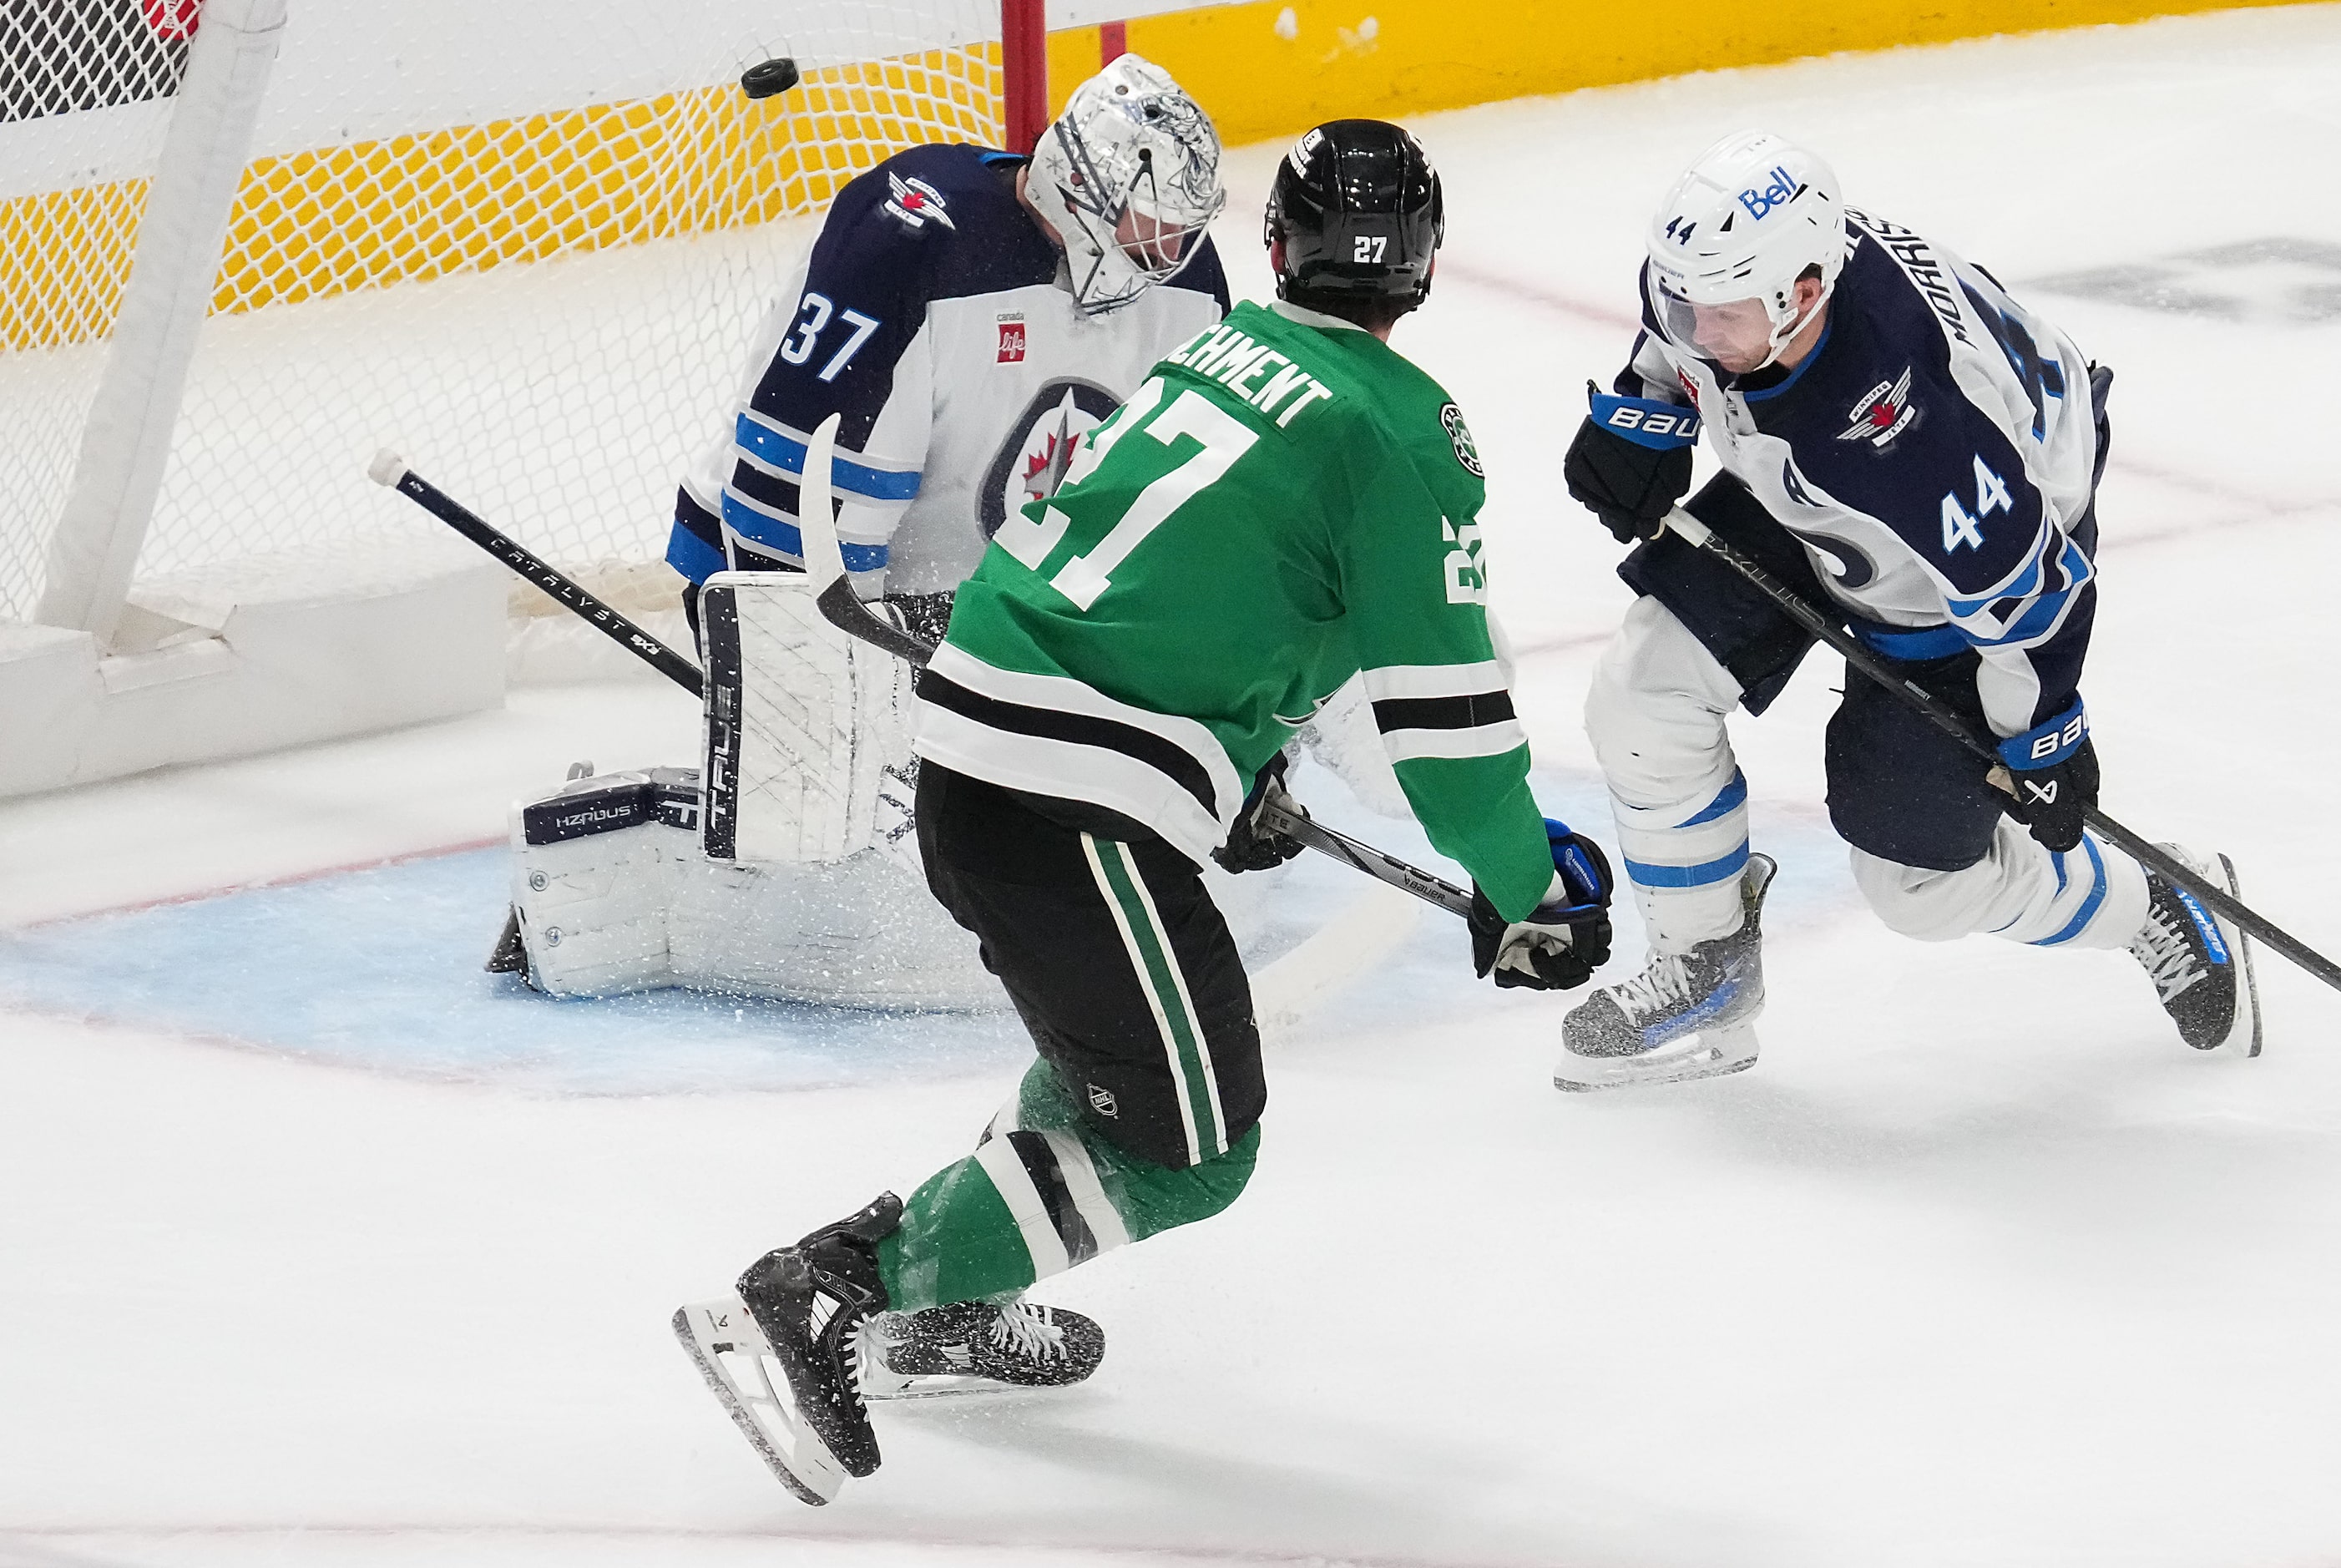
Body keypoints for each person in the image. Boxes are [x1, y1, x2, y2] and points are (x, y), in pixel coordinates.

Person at [674, 119, 1615, 1505]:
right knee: (1193, 1144)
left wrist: (1234, 769)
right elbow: (1446, 732)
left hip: (990, 769)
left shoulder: (1217, 358)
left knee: (1106, 1067)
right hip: (1064, 803)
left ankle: (939, 1302)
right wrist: (1524, 888)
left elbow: (1179, 599)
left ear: (1279, 247)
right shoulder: (1402, 437)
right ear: (1417, 271)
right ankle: (827, 1288)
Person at [1553, 128, 2259, 1092]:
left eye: (1713, 316)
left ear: (1802, 295)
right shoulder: (1741, 288)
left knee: (1920, 889)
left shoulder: (1907, 428)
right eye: (1679, 299)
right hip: (1820, 491)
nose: (1689, 331)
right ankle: (1705, 966)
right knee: (1641, 692)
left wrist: (2043, 735)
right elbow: (1676, 340)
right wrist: (1644, 412)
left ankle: (2158, 903)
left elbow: (2032, 593)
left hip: (1962, 550)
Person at [665, 53, 1231, 642]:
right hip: (793, 578)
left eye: (1184, 231)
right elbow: (794, 506)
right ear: (1079, 186)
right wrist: (820, 660)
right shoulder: (909, 245)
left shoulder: (1185, 281)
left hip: (995, 611)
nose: (1172, 253)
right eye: (1149, 223)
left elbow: (1199, 490)